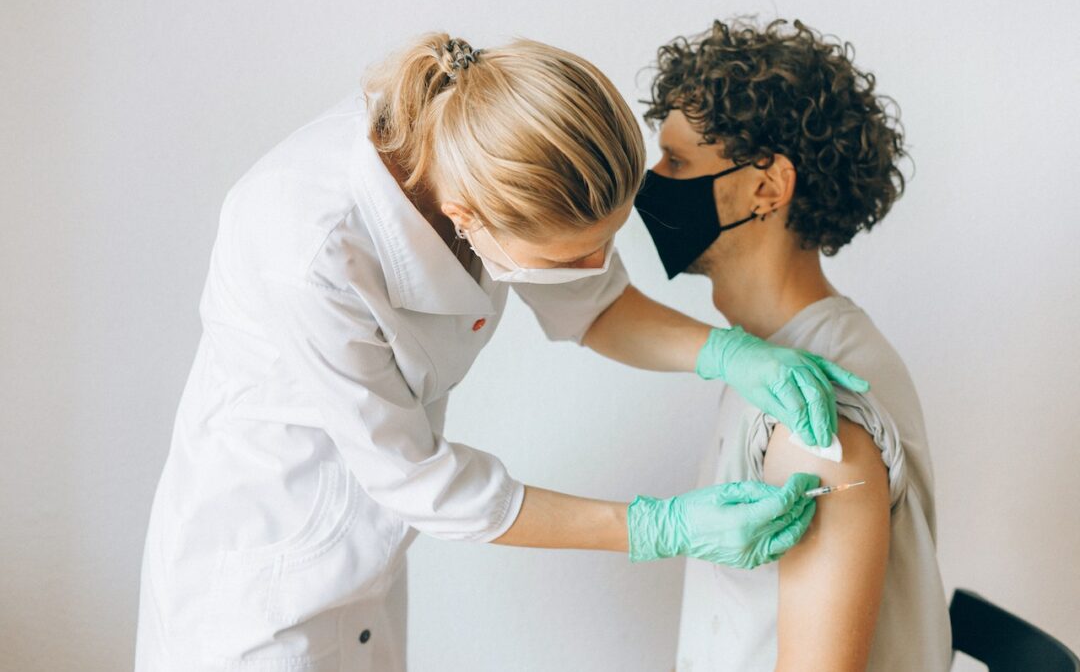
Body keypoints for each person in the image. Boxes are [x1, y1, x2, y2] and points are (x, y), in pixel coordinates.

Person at [134, 34, 866, 671]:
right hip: (257, 598)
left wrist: (733, 353)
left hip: (363, 575)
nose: (599, 267)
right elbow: (421, 480)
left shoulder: (493, 125)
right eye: (578, 253)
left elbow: (597, 305)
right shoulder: (308, 246)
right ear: (467, 219)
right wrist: (659, 526)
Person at [634, 18, 951, 672]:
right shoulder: (769, 358)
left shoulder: (814, 420)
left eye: (677, 161)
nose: (652, 181)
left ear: (767, 187)